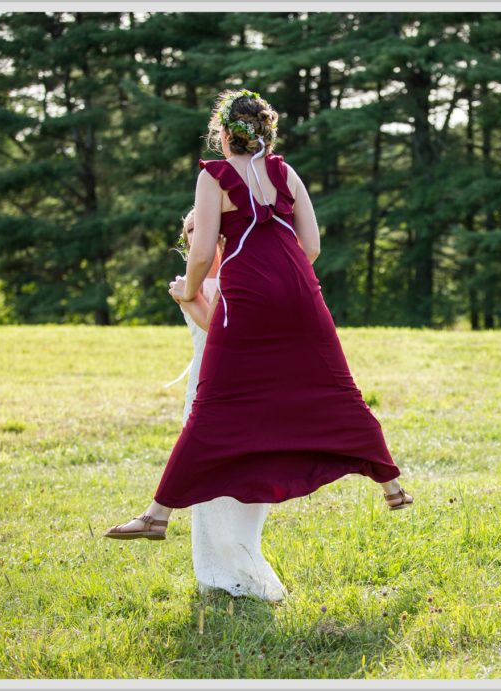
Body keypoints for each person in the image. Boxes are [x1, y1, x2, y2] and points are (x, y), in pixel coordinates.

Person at [104, 88, 412, 543]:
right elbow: (312, 247)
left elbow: (203, 249)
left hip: (246, 298)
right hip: (303, 295)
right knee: (337, 390)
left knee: (212, 407)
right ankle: (392, 487)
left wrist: (186, 292)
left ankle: (156, 516)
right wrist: (286, 279)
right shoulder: (286, 173)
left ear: (225, 135)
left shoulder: (215, 176)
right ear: (265, 132)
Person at [165, 209, 287, 601]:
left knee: (250, 474)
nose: (195, 234)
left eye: (203, 226)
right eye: (189, 229)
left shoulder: (242, 267)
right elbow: (209, 328)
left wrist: (188, 297)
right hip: (206, 383)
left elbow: (224, 323)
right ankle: (217, 574)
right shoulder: (191, 278)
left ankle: (246, 556)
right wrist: (187, 294)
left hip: (250, 383)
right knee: (208, 480)